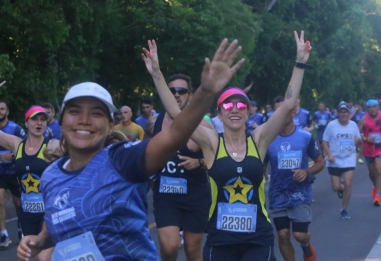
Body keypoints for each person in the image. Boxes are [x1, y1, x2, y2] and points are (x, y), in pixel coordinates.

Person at [16, 38, 244, 261]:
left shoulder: (122, 159)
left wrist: (205, 92)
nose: (84, 120)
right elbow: (53, 229)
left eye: (96, 113)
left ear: (109, 125)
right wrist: (36, 241)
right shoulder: (51, 176)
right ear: (62, 121)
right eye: (75, 111)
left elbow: (176, 134)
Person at [154, 31, 311, 261]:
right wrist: (157, 73)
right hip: (220, 241)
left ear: (248, 111)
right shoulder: (211, 142)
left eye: (241, 105)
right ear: (219, 113)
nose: (235, 109)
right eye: (228, 106)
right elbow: (177, 114)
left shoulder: (259, 139)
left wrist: (300, 63)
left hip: (258, 239)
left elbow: (287, 105)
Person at [142, 42, 214, 261]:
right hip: (165, 195)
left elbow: (216, 159)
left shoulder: (204, 125)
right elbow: (144, 153)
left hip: (195, 195)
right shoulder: (154, 123)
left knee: (192, 250)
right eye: (171, 91)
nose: (176, 95)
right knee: (169, 246)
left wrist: (198, 163)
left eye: (181, 91)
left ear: (190, 95)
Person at [265, 98, 324, 261]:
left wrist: (307, 171)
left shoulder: (305, 137)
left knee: (300, 235)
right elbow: (260, 166)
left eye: (285, 111)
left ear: (293, 112)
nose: (281, 115)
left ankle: (306, 246)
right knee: (283, 235)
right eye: (278, 112)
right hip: (277, 194)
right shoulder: (268, 139)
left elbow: (320, 162)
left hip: (300, 193)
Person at [0, 106, 60, 260]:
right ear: (26, 123)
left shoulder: (52, 146)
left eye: (43, 119)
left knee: (43, 257)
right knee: (33, 255)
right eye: (35, 119)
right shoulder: (16, 144)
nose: (39, 123)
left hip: (48, 213)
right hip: (27, 213)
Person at [323, 103, 361, 218]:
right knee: (336, 187)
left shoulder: (353, 125)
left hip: (349, 158)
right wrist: (329, 154)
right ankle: (342, 189)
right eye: (341, 112)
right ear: (338, 113)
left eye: (346, 112)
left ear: (349, 113)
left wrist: (357, 141)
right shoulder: (331, 125)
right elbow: (324, 141)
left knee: (348, 183)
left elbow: (358, 140)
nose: (343, 114)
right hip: (335, 159)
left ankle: (343, 209)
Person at [0, 101, 26, 247]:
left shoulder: (15, 128)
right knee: (0, 201)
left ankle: (21, 227)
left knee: (19, 204)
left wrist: (12, 155)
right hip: (0, 173)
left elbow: (27, 148)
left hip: (15, 172)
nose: (0, 111)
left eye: (2, 109)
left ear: (7, 112)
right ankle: (3, 234)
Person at [358, 99, 381, 206]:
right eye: (369, 107)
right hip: (368, 149)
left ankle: (378, 195)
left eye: (374, 106)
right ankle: (375, 186)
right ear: (367, 109)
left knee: (379, 170)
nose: (372, 109)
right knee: (372, 172)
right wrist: (365, 138)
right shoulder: (364, 119)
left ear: (378, 107)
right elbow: (356, 133)